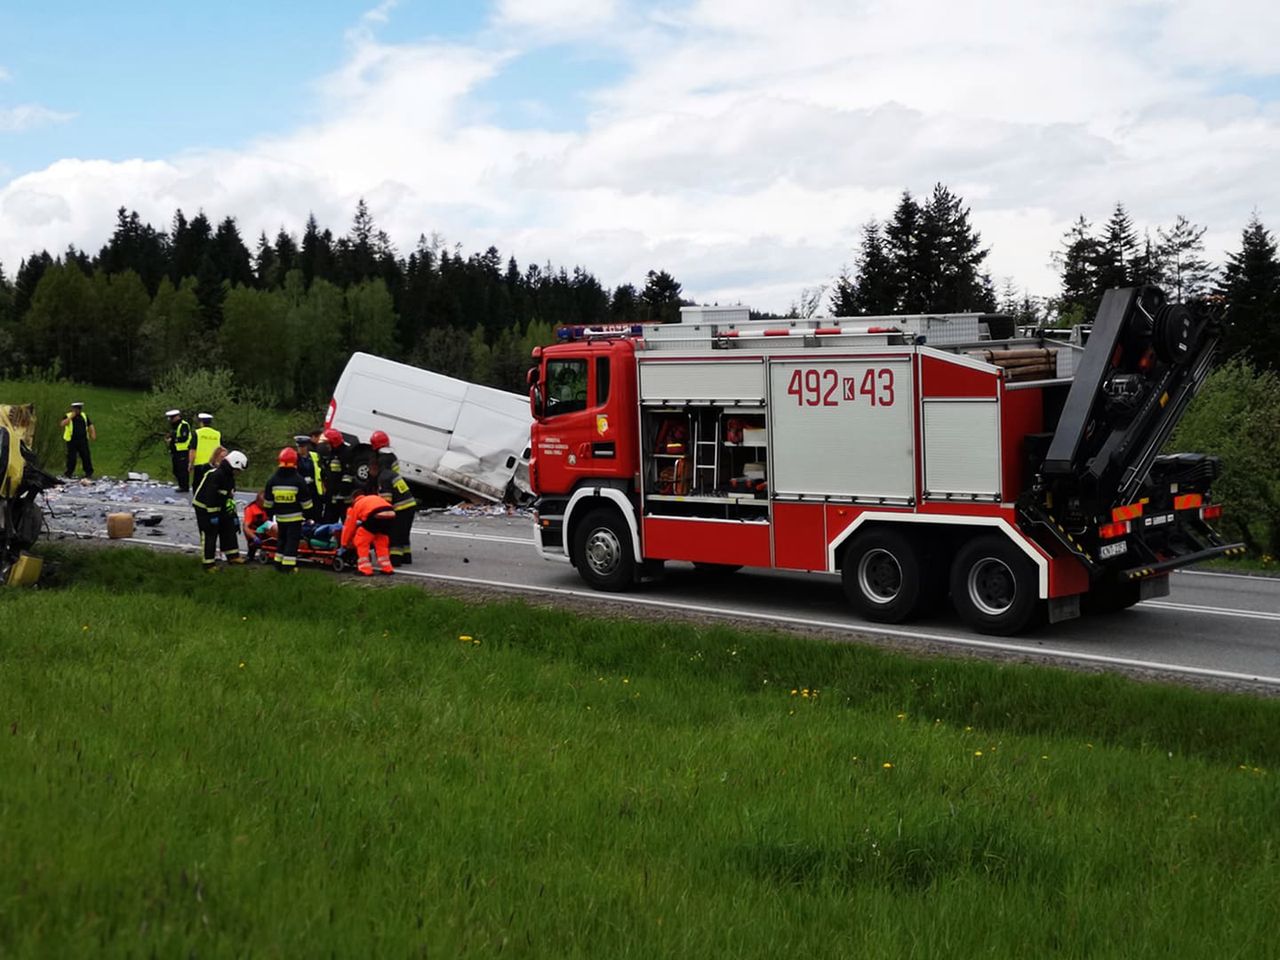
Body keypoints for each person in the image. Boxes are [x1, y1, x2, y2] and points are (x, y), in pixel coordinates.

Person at [193, 449, 247, 571]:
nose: (238, 473)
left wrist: (233, 515)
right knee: (210, 533)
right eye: (237, 470)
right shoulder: (215, 475)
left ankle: (233, 556)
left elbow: (229, 497)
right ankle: (208, 564)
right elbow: (210, 496)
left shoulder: (229, 477)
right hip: (204, 508)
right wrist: (213, 515)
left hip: (220, 506)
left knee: (229, 528)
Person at [263, 447, 313, 573]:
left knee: (282, 540)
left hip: (280, 518)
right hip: (295, 518)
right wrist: (309, 515)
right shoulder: (298, 480)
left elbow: (268, 503)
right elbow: (306, 502)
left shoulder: (272, 480)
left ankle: (278, 564)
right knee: (292, 542)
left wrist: (270, 514)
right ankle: (288, 567)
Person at [371, 429, 418, 566]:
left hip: (401, 506)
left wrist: (379, 515)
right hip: (409, 504)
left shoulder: (383, 477)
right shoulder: (392, 461)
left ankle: (395, 560)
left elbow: (386, 502)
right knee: (404, 533)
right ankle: (406, 557)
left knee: (395, 534)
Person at [341, 489, 396, 576]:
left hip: (375, 516)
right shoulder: (372, 498)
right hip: (390, 515)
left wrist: (344, 543)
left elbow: (349, 527)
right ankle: (387, 568)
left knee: (361, 540)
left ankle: (365, 570)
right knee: (381, 542)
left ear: (353, 499)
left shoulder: (355, 506)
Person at [322, 428, 353, 523]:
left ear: (333, 443)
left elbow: (348, 475)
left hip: (342, 498)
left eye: (327, 443)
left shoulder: (346, 453)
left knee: (344, 522)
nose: (326, 446)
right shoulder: (332, 454)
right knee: (328, 521)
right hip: (331, 495)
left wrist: (340, 491)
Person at [60, 401, 96, 479]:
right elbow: (62, 424)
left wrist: (93, 434)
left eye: (79, 409)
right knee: (71, 458)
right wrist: (70, 417)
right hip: (71, 440)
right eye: (76, 409)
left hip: (82, 440)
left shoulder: (84, 416)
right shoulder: (68, 415)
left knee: (85, 456)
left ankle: (89, 472)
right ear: (73, 409)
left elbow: (90, 425)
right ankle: (69, 473)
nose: (78, 410)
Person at [294, 434, 325, 519]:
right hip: (301, 489)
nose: (301, 449)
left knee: (317, 512)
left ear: (306, 446)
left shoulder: (314, 456)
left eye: (302, 446)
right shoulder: (294, 457)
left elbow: (320, 470)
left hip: (314, 488)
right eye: (299, 447)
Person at [189, 413, 221, 495]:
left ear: (201, 422)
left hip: (200, 464)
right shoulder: (217, 434)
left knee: (198, 485)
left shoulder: (197, 433)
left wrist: (190, 463)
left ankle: (198, 502)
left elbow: (193, 450)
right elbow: (220, 450)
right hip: (213, 464)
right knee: (210, 484)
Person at [165, 409, 192, 492]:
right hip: (175, 451)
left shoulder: (183, 425)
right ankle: (181, 485)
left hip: (183, 451)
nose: (171, 420)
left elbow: (184, 437)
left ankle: (184, 487)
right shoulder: (174, 426)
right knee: (176, 470)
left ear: (177, 417)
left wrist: (173, 440)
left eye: (172, 418)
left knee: (182, 470)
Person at [243, 491, 270, 561]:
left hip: (267, 529)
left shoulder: (269, 507)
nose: (265, 505)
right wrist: (254, 538)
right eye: (263, 503)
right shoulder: (250, 509)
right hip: (255, 531)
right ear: (257, 501)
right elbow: (246, 527)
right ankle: (250, 554)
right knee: (253, 542)